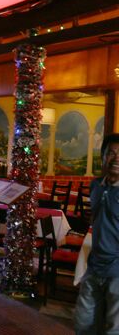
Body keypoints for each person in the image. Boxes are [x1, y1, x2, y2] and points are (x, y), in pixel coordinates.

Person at [74, 133, 119, 333]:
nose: (116, 158)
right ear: (103, 157)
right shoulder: (96, 186)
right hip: (94, 266)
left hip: (117, 271)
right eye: (111, 153)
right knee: (83, 323)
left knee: (113, 329)